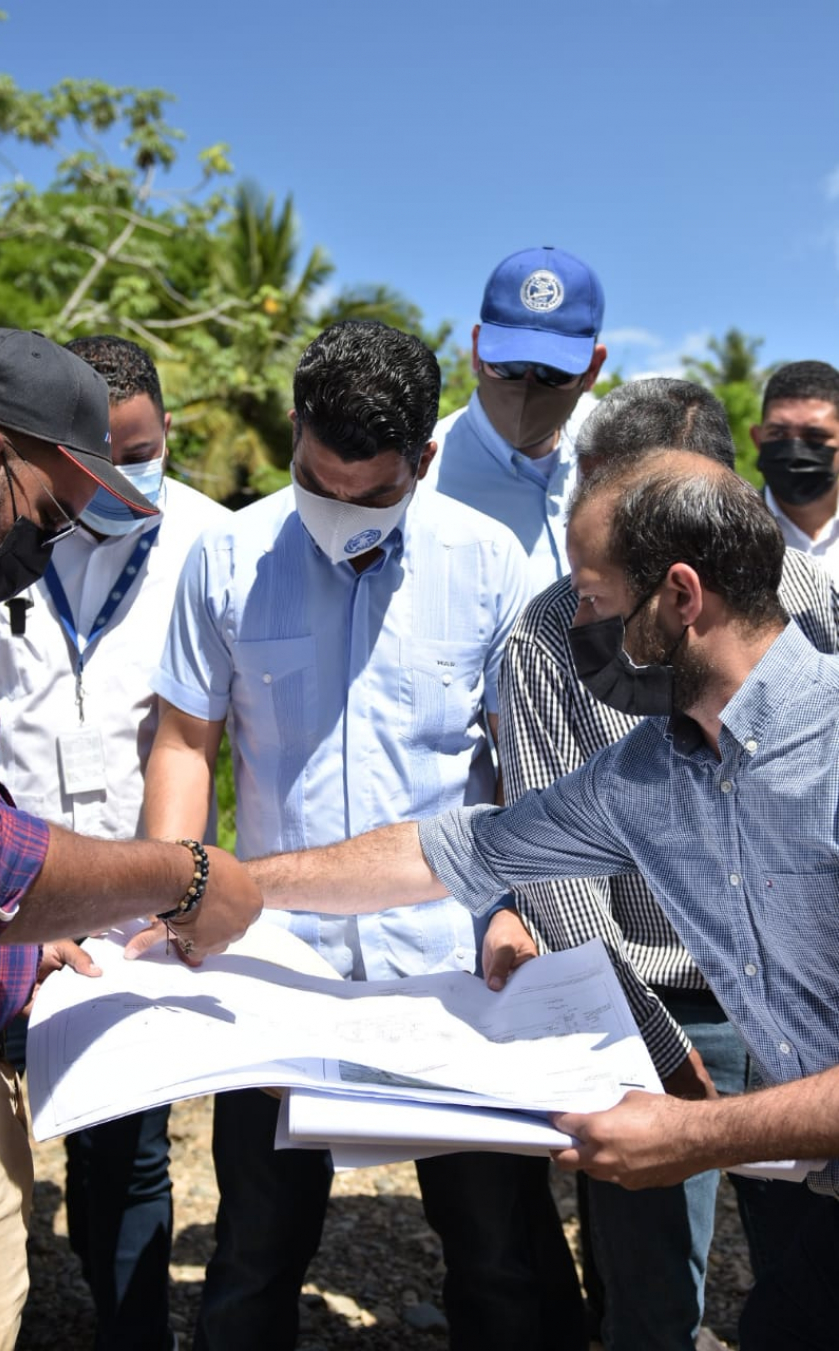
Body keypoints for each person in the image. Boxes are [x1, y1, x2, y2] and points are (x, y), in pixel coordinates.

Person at [235, 450, 839, 1351]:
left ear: (681, 595)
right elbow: (455, 851)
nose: (574, 627)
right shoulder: (651, 771)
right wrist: (231, 884)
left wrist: (695, 1135)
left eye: (591, 600)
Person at [141, 319, 589, 1350]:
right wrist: (178, 891)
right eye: (316, 480)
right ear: (295, 430)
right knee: (254, 1253)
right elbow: (184, 741)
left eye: (372, 492)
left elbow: (526, 766)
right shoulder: (228, 557)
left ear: (423, 459)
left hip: (455, 972)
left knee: (497, 1253)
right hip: (277, 968)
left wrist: (516, 908)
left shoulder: (490, 565)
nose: (339, 508)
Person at [497, 379, 838, 1350]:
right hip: (651, 1009)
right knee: (652, 1301)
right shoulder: (550, 636)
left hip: (805, 1015)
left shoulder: (808, 600)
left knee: (804, 1272)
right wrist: (646, 1035)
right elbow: (554, 867)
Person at [0, 325, 260, 1351]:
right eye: (48, 516)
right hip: (4, 927)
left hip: (68, 930)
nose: (47, 544)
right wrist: (183, 877)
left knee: (123, 1162)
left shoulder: (213, 541)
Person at [429, 245, 606, 590]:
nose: (526, 386)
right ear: (477, 350)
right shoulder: (419, 480)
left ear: (593, 370)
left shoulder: (618, 470)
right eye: (508, 365)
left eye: (552, 372)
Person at [751, 359, 839, 581]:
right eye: (779, 434)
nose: (795, 450)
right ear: (758, 439)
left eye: (815, 435)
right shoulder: (725, 539)